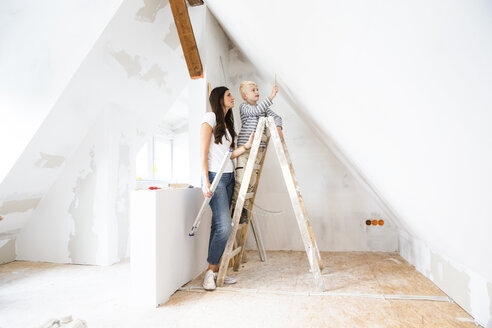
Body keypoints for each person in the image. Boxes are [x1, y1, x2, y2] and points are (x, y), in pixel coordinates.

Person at [200, 86, 254, 291]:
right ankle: (210, 273)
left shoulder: (228, 124)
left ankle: (216, 272)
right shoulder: (210, 117)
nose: (233, 98)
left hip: (229, 177)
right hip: (216, 178)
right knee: (224, 227)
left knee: (219, 226)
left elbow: (228, 155)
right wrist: (205, 181)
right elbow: (203, 153)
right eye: (229, 95)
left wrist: (246, 146)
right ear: (219, 99)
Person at [231, 80, 283, 224]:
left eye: (257, 89)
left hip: (258, 150)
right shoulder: (245, 107)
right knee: (241, 181)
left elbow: (277, 117)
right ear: (245, 95)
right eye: (253, 90)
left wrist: (278, 128)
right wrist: (271, 97)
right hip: (245, 149)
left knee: (251, 182)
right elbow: (256, 111)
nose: (257, 92)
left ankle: (244, 210)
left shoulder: (263, 109)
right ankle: (236, 209)